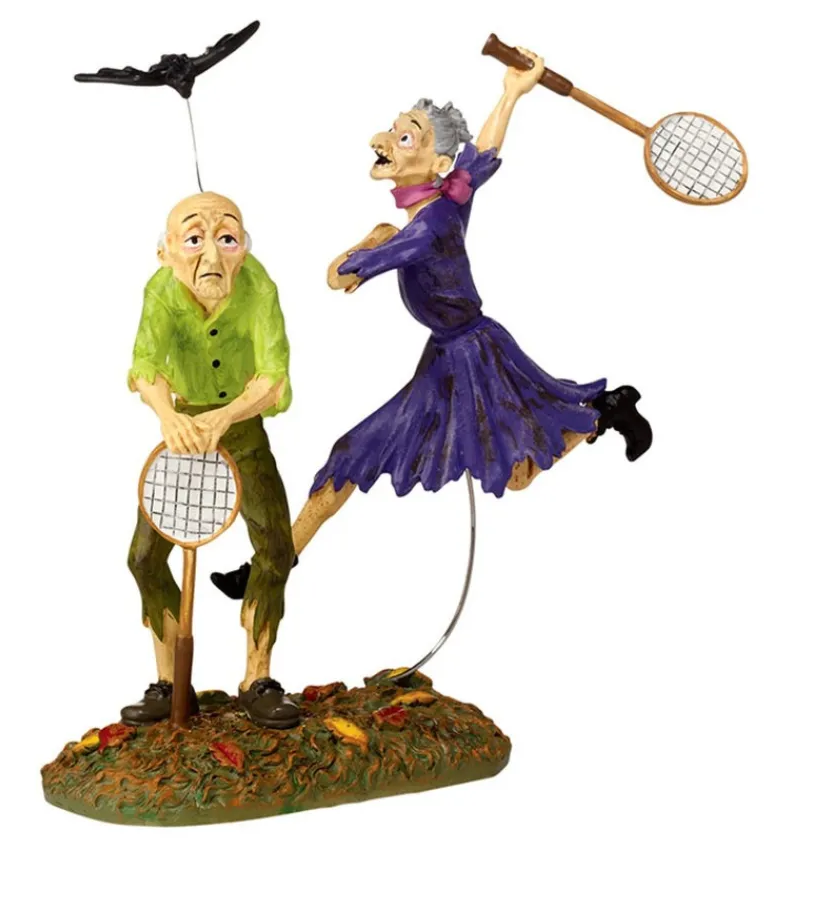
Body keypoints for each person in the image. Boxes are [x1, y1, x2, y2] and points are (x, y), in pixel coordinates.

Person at [211, 49, 651, 597]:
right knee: (353, 456)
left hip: (476, 360)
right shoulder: (447, 198)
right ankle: (268, 566)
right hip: (446, 357)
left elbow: (337, 277)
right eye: (394, 130)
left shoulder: (425, 230)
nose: (385, 140)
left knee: (515, 474)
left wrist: (374, 240)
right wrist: (512, 93)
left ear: (435, 162)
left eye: (405, 137)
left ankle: (602, 415)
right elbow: (483, 153)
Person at [120, 191, 301, 730]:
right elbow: (144, 366)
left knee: (276, 549)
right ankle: (169, 683)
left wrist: (226, 417)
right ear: (167, 252)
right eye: (195, 239)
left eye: (227, 238)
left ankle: (258, 679)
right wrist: (168, 416)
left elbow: (274, 378)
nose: (213, 257)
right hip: (182, 434)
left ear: (244, 248)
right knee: (144, 558)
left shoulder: (258, 287)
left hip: (242, 427)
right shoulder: (160, 291)